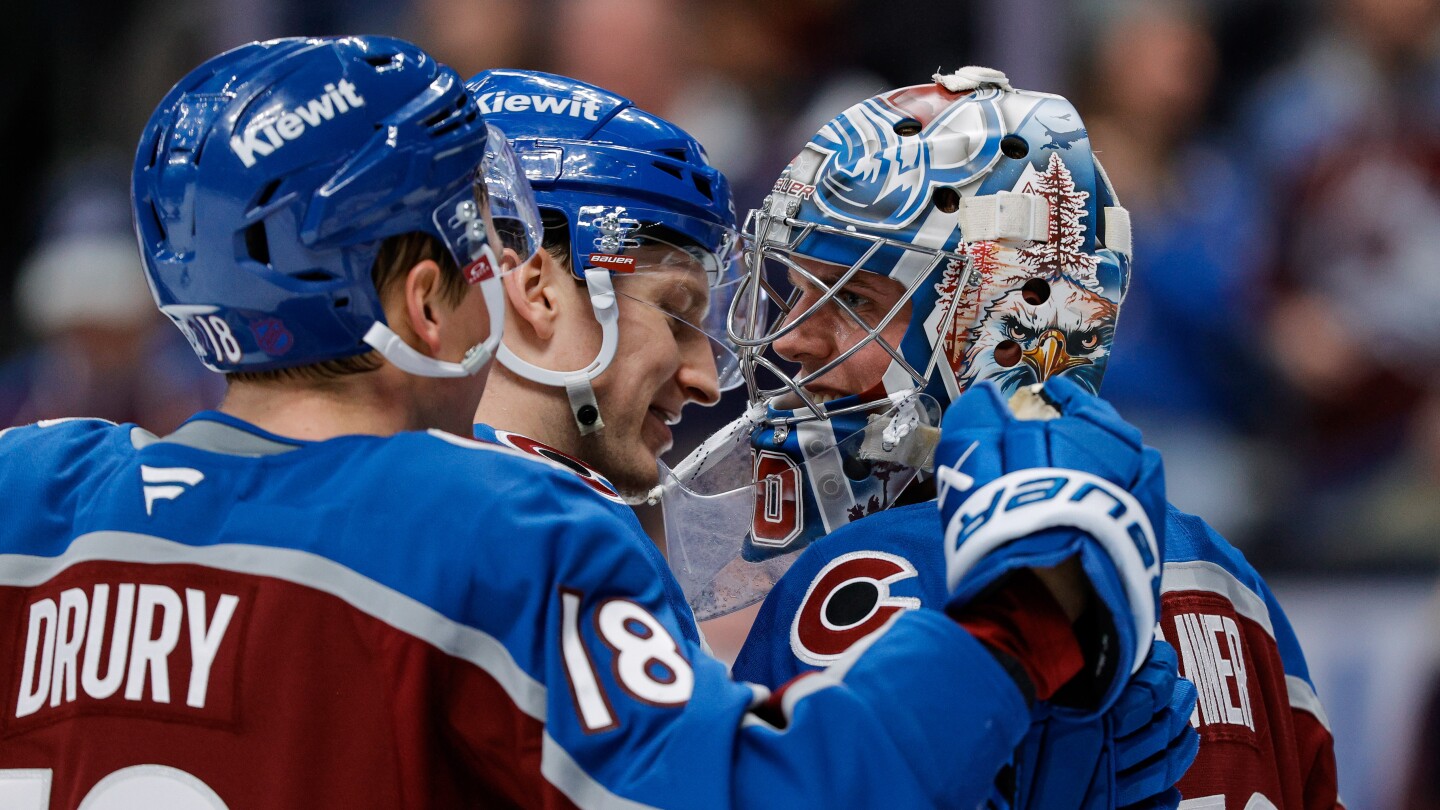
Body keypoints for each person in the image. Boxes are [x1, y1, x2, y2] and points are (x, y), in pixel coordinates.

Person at [1, 38, 1168, 808]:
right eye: (476, 247)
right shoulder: (492, 528)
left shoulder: (36, 492)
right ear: (420, 302)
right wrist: (1030, 616)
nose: (505, 276)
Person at [663, 68, 1338, 808]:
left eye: (853, 299)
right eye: (793, 291)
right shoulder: (1231, 584)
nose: (794, 339)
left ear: (1002, 328)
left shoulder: (864, 574)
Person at [468, 68, 741, 500]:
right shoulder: (577, 541)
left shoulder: (354, 495)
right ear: (538, 291)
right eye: (675, 315)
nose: (706, 382)